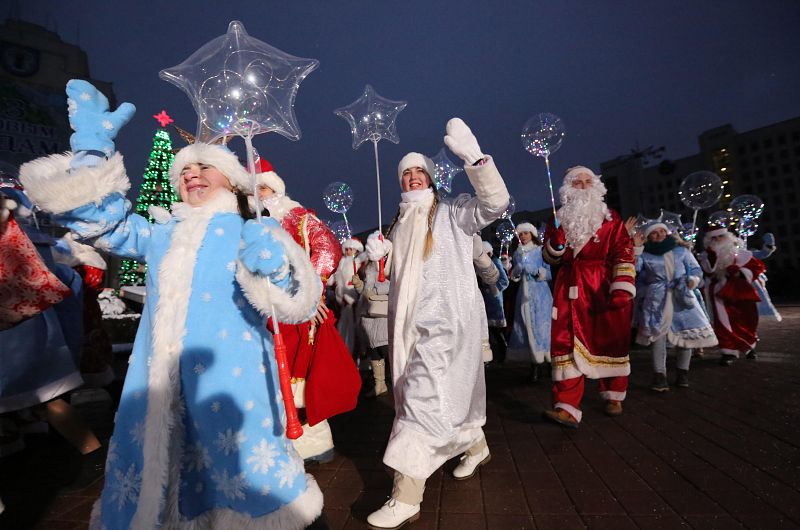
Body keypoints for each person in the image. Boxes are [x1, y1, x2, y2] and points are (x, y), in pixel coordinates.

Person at [19, 80, 324, 528]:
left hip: (232, 381)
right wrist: (91, 147)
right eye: (183, 171)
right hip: (160, 382)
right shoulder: (160, 233)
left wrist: (277, 267)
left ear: (235, 179)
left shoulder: (251, 229)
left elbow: (298, 302)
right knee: (165, 475)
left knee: (245, 472)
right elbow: (96, 221)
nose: (190, 174)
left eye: (204, 166)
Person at [365, 118, 510, 529]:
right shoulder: (397, 222)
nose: (412, 177)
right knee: (436, 400)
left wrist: (476, 161)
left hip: (446, 329)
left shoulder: (452, 212)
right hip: (408, 330)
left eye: (418, 171)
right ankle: (475, 443)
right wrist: (377, 257)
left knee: (421, 403)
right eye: (405, 172)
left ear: (429, 176)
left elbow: (494, 205)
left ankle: (406, 495)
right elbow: (389, 280)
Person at [255, 161, 361, 464]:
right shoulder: (250, 222)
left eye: (263, 187)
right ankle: (289, 439)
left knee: (299, 376)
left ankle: (310, 442)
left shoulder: (297, 217)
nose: (259, 194)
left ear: (276, 188)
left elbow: (328, 248)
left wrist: (308, 292)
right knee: (275, 377)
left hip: (296, 312)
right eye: (255, 188)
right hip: (264, 312)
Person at [540, 166, 636, 428]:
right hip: (568, 286)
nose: (582, 186)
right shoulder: (558, 219)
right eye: (577, 182)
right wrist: (556, 244)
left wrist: (622, 285)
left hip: (601, 285)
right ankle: (567, 406)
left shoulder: (610, 218)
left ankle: (614, 395)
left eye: (587, 181)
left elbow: (623, 250)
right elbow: (548, 258)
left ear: (596, 186)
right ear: (567, 188)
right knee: (565, 342)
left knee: (609, 339)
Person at [633, 221, 717, 391]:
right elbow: (634, 273)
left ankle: (682, 373)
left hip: (681, 296)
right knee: (657, 337)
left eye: (662, 232)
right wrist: (636, 250)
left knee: (685, 337)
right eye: (654, 233)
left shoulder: (682, 252)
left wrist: (692, 280)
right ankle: (659, 376)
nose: (659, 235)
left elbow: (695, 270)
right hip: (657, 300)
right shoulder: (644, 255)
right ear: (648, 236)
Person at [698, 226, 765, 365]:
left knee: (747, 319)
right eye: (713, 238)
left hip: (740, 290)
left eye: (720, 236)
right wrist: (711, 257)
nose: (717, 240)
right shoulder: (706, 254)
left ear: (728, 237)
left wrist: (740, 272)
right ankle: (728, 351)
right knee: (723, 322)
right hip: (718, 291)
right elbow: (707, 271)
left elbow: (756, 268)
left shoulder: (741, 253)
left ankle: (749, 346)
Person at [509, 223, 552, 381]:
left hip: (541, 296)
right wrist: (517, 270)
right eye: (521, 234)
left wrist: (538, 272)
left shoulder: (540, 251)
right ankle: (534, 366)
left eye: (526, 233)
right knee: (528, 329)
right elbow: (514, 275)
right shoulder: (517, 253)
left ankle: (549, 364)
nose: (523, 236)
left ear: (532, 234)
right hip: (524, 296)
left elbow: (549, 272)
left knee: (543, 329)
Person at [352, 248, 391, 398]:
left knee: (388, 353)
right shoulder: (367, 272)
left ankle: (400, 387)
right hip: (369, 321)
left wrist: (372, 294)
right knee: (375, 354)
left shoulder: (386, 270)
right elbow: (365, 291)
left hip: (382, 320)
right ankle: (380, 385)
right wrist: (359, 286)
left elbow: (390, 289)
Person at [329, 237, 366, 356]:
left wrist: (352, 294)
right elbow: (333, 279)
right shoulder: (341, 262)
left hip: (353, 298)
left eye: (352, 249)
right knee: (343, 327)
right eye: (347, 248)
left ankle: (357, 354)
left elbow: (363, 278)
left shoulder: (358, 262)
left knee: (355, 327)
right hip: (341, 300)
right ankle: (344, 352)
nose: (349, 251)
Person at [475, 239, 509, 364]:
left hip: (495, 301)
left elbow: (504, 281)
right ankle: (491, 356)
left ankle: (503, 352)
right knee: (488, 330)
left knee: (497, 330)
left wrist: (495, 289)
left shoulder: (495, 262)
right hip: (486, 301)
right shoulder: (480, 265)